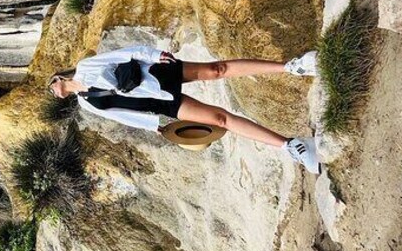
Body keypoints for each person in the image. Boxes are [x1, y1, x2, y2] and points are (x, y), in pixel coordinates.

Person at [46, 45, 321, 173]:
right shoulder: (86, 103)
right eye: (53, 94)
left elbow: (121, 55)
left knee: (216, 71)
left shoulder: (84, 67)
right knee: (220, 119)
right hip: (158, 102)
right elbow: (121, 115)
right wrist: (155, 126)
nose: (54, 92)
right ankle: (292, 146)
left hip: (153, 73)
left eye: (52, 86)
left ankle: (292, 67)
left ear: (59, 78)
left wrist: (155, 55)